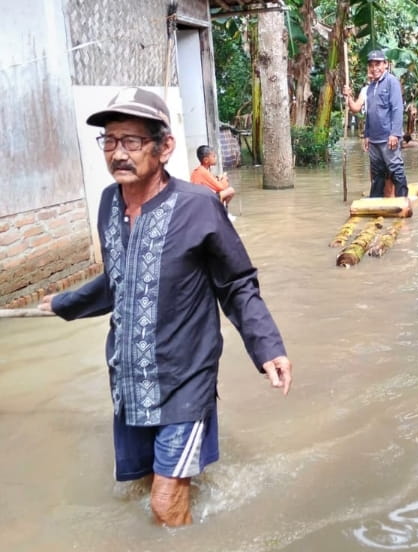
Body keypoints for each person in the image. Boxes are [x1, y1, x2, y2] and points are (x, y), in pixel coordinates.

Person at [38, 87, 293, 527]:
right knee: (139, 486)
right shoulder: (108, 204)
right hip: (128, 379)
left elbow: (236, 283)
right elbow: (119, 282)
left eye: (132, 141)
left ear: (165, 147)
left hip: (184, 382)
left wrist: (267, 346)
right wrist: (65, 303)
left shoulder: (199, 207)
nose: (118, 153)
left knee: (163, 502)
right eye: (109, 140)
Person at [354, 49, 408, 198]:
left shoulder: (392, 82)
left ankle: (402, 199)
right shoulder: (370, 87)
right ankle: (375, 201)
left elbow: (397, 108)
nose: (374, 68)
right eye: (371, 65)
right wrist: (367, 135)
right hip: (374, 139)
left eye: (378, 64)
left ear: (385, 64)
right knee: (377, 173)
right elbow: (370, 113)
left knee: (395, 169)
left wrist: (395, 134)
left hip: (388, 137)